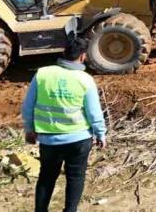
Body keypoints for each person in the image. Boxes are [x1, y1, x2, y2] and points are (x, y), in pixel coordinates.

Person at [21, 36, 106, 212]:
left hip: (49, 140)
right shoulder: (85, 80)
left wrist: (29, 130)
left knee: (46, 177)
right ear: (83, 56)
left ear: (63, 53)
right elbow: (93, 112)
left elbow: (28, 106)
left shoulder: (42, 74)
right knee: (75, 177)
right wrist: (100, 133)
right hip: (79, 139)